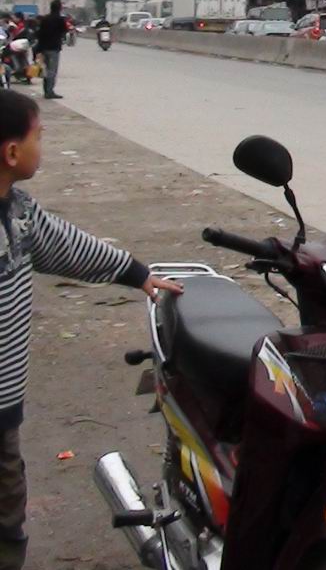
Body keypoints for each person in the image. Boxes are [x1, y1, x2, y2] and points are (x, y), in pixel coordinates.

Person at [0, 90, 182, 569]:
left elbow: (68, 246)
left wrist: (136, 273)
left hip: (4, 410)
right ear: (12, 152)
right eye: (39, 137)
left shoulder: (18, 213)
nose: (42, 145)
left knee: (7, 508)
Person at [35, 3, 65, 101]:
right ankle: (49, 91)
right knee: (52, 70)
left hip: (44, 48)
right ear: (59, 8)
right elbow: (64, 31)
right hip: (54, 48)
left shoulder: (45, 19)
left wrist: (38, 49)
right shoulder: (60, 19)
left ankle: (46, 90)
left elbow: (39, 34)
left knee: (46, 70)